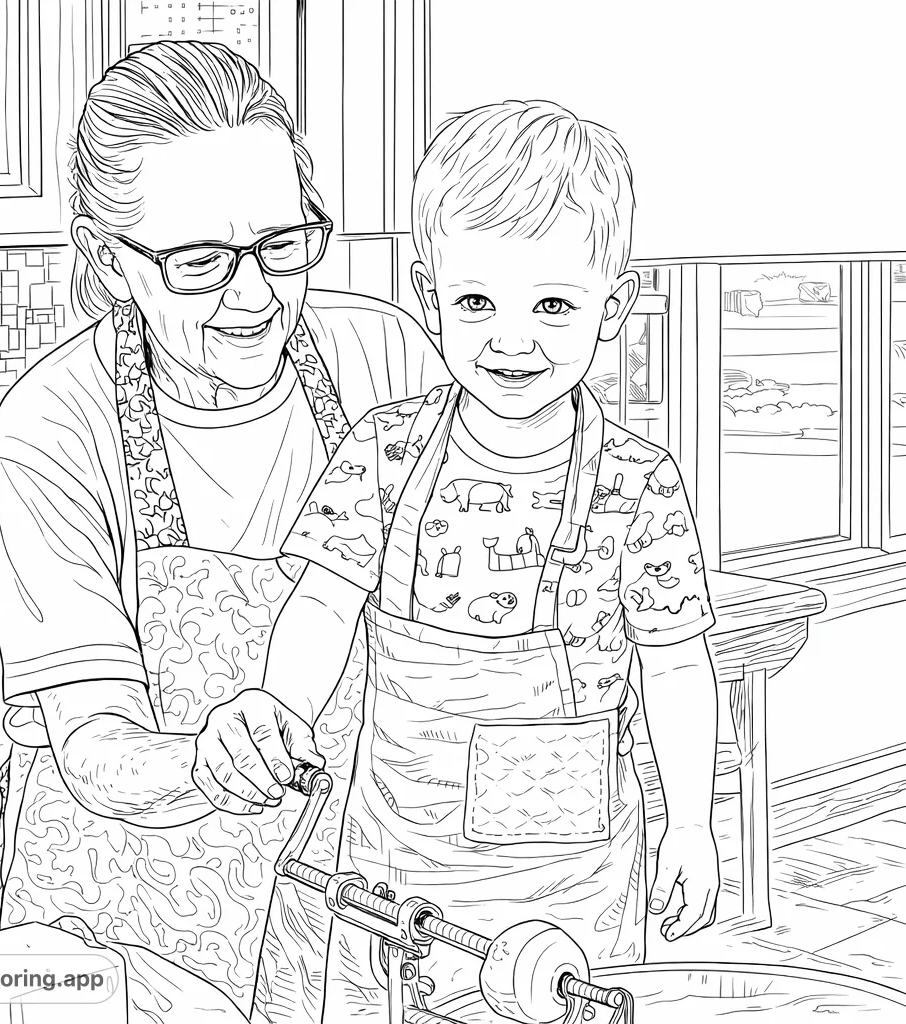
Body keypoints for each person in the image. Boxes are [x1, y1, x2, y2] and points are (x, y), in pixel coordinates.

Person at [0, 40, 445, 1021]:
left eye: (283, 244)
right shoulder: (56, 422)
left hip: (337, 907)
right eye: (199, 262)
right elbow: (95, 743)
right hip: (125, 930)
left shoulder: (382, 356)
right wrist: (204, 759)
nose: (255, 297)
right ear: (108, 258)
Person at [257, 100, 722, 1018]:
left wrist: (693, 824)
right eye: (478, 303)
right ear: (429, 299)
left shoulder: (641, 485)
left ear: (613, 308)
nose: (514, 340)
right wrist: (279, 707)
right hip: (397, 869)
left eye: (553, 306)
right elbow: (319, 607)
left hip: (571, 886)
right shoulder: (385, 452)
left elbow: (675, 667)